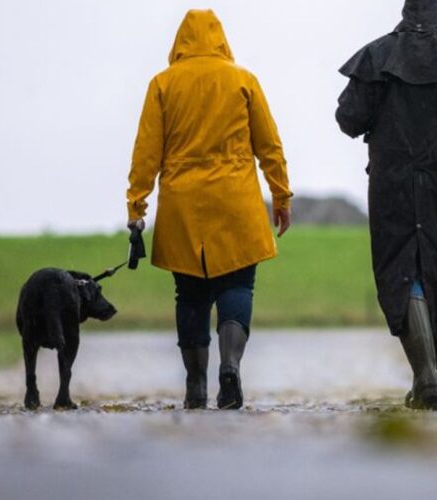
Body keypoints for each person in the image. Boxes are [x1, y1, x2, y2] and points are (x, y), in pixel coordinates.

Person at [335, 0, 437, 410]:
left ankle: (425, 376)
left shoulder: (378, 56)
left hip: (392, 183)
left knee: (401, 269)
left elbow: (348, 118)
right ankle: (427, 376)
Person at [126, 9, 293, 410]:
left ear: (180, 42)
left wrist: (136, 203)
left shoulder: (162, 85)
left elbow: (146, 151)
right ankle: (230, 366)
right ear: (221, 39)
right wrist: (281, 196)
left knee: (190, 295)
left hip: (183, 207)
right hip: (235, 203)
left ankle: (196, 383)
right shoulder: (243, 80)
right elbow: (269, 145)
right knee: (237, 286)